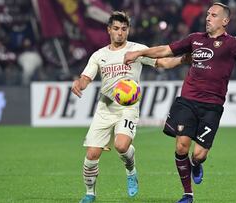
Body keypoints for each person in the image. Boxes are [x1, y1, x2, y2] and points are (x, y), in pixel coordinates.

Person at [124, 3, 236, 203]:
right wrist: (139, 53)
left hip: (212, 107)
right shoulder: (194, 39)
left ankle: (197, 164)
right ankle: (188, 194)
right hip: (187, 101)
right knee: (181, 147)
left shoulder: (233, 44)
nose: (208, 17)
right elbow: (166, 50)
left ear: (225, 21)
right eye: (208, 14)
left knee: (199, 155)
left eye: (214, 15)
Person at [72, 11, 185, 203]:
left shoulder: (137, 50)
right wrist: (79, 84)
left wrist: (183, 59)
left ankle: (131, 170)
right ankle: (90, 193)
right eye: (116, 29)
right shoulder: (99, 55)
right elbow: (86, 78)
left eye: (124, 29)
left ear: (128, 30)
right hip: (105, 107)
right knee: (92, 154)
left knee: (121, 145)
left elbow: (162, 62)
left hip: (128, 107)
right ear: (109, 30)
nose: (120, 33)